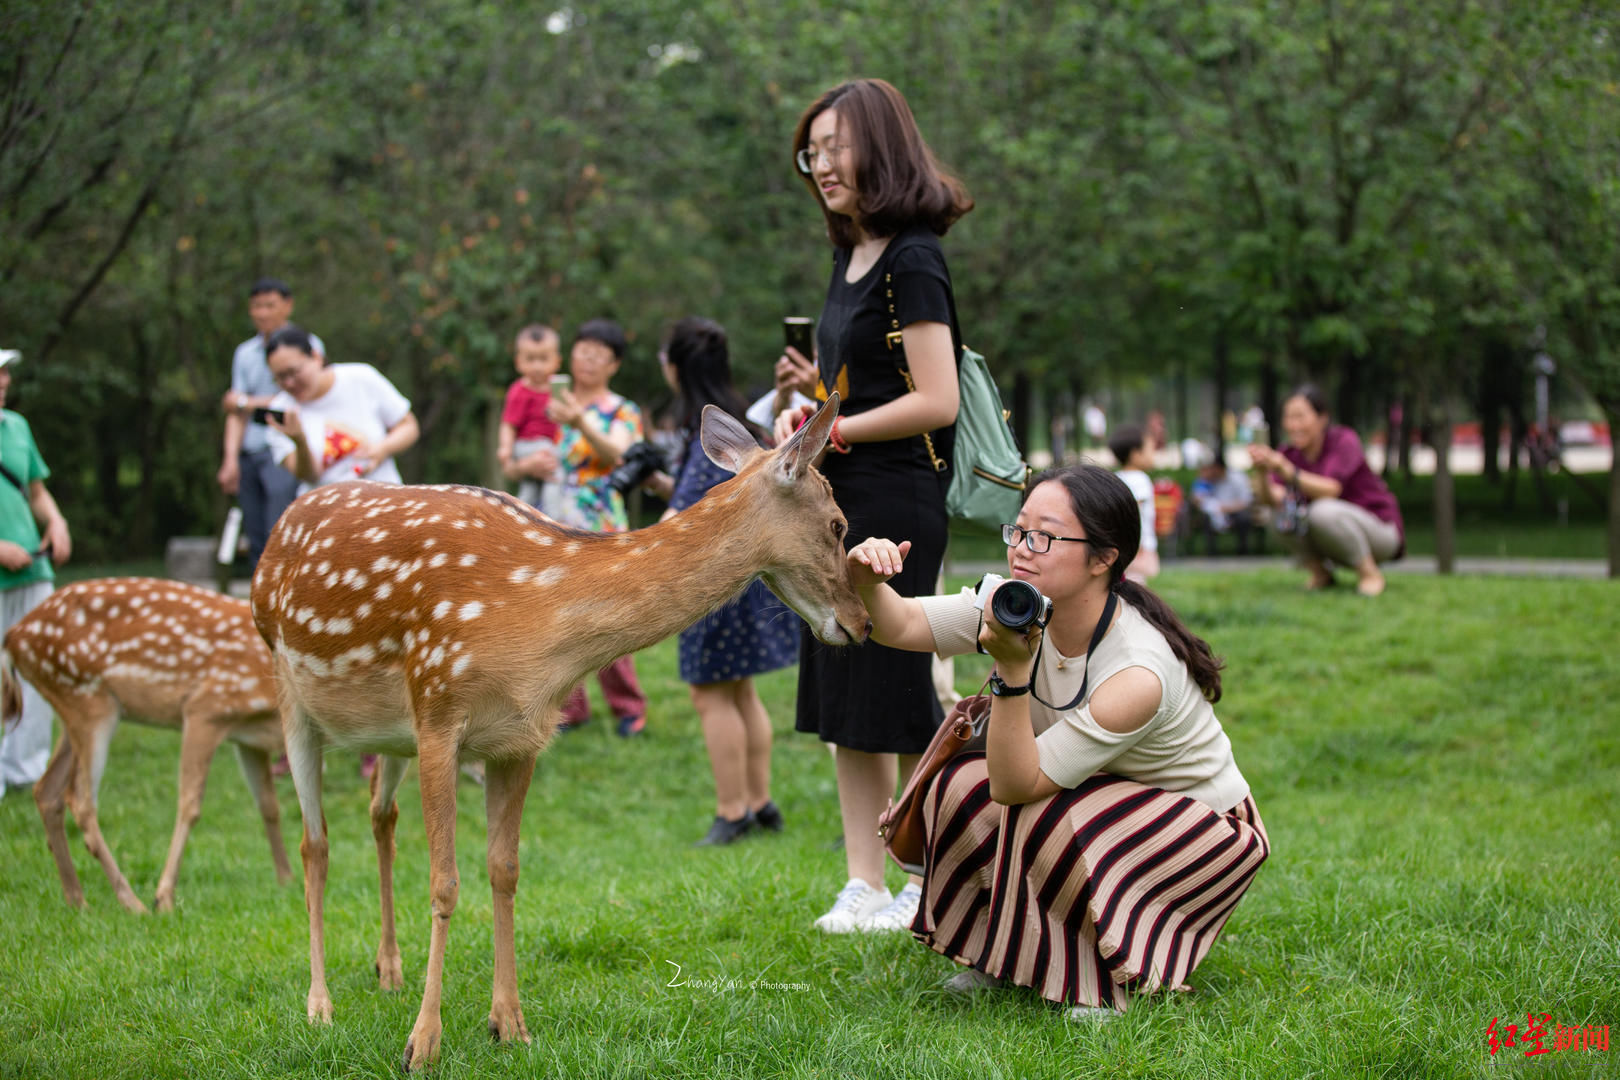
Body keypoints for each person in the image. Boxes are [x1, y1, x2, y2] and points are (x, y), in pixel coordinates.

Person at [845, 464, 1269, 1019]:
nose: (1022, 549)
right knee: (960, 786)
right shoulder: (1012, 604)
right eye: (1017, 531)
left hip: (1202, 830)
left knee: (1044, 814)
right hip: (1101, 796)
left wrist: (1012, 674)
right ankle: (998, 958)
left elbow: (1018, 785)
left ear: (1103, 558)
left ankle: (1106, 982)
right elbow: (898, 625)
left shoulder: (1137, 673)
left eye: (1044, 536)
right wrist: (868, 580)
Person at [771, 78, 968, 934]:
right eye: (811, 151)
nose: (821, 164)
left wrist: (839, 429)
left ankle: (931, 878)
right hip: (841, 501)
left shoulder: (914, 257)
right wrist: (810, 412)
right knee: (846, 688)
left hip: (898, 498)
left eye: (836, 145)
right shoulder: (850, 255)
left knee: (894, 683)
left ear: (881, 144)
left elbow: (937, 398)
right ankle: (865, 886)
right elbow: (855, 388)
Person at [641, 318, 799, 844]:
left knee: (711, 696)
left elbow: (684, 513)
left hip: (712, 584)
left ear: (677, 368)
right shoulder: (738, 422)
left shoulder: (700, 427)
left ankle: (732, 811)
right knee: (740, 693)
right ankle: (760, 801)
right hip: (746, 578)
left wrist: (632, 545)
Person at [545, 318, 650, 738]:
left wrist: (580, 421)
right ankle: (570, 708)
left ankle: (628, 706)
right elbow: (526, 451)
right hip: (552, 520)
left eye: (598, 354)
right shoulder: (550, 404)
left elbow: (622, 454)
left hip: (602, 525)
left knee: (611, 618)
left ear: (614, 365)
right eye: (582, 349)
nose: (587, 359)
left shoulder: (622, 411)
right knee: (559, 619)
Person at [1248, 385, 1404, 596]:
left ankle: (1370, 574)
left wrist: (1287, 470)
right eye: (1289, 417)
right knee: (1274, 513)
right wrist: (1262, 475)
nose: (1294, 425)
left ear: (1322, 418)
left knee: (1322, 510)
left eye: (1301, 417)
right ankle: (1320, 574)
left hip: (1379, 531)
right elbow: (1274, 499)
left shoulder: (1343, 440)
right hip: (1328, 532)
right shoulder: (1289, 453)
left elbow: (1331, 489)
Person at [0, 350, 73, 796]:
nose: (3, 380)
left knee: (36, 668)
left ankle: (25, 768)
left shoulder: (17, 427)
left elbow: (36, 490)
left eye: (4, 372)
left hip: (33, 568)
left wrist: (57, 522)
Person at [216, 278, 326, 570]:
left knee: (279, 531)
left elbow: (301, 398)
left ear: (287, 306)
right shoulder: (244, 353)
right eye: (256, 306)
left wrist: (245, 402)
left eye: (269, 305)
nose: (262, 313)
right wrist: (230, 460)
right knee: (254, 533)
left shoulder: (308, 345)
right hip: (250, 452)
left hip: (286, 451)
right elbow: (234, 412)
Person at [261, 326, 418, 490]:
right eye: (280, 377)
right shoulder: (280, 411)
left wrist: (381, 449)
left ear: (316, 357)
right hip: (324, 509)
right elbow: (310, 475)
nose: (289, 383)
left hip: (384, 500)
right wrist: (300, 440)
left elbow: (408, 426)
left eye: (294, 372)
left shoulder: (361, 377)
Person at [496, 324, 565, 516]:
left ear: (556, 361)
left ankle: (520, 518)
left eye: (543, 359)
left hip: (547, 445)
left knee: (530, 487)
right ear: (519, 362)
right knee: (555, 473)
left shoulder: (559, 390)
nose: (537, 366)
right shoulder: (519, 390)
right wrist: (505, 448)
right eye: (530, 359)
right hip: (529, 445)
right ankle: (554, 520)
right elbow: (509, 424)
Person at [1108, 424, 1159, 582]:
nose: (1154, 454)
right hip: (1138, 546)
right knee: (1136, 585)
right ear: (1135, 454)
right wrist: (1138, 542)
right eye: (1151, 449)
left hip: (1121, 544)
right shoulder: (1139, 479)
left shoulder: (1116, 478)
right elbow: (1133, 512)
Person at [1190, 459, 1256, 555]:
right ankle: (1211, 552)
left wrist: (1226, 508)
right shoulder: (1209, 481)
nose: (1211, 472)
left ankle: (1242, 551)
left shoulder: (1237, 478)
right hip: (1215, 513)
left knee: (1243, 517)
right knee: (1205, 518)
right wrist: (1202, 480)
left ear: (1220, 468)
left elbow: (1246, 501)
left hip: (1235, 511)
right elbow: (1197, 500)